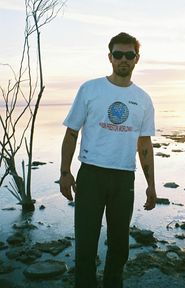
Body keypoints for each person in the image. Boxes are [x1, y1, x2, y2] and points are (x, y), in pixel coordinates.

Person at [60, 32, 157, 288]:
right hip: (91, 176)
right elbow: (71, 133)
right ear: (110, 57)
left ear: (137, 59)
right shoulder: (90, 89)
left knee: (119, 247)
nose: (123, 59)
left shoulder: (144, 100)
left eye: (129, 55)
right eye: (118, 54)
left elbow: (144, 144)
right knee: (85, 244)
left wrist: (151, 184)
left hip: (124, 178)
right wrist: (65, 172)